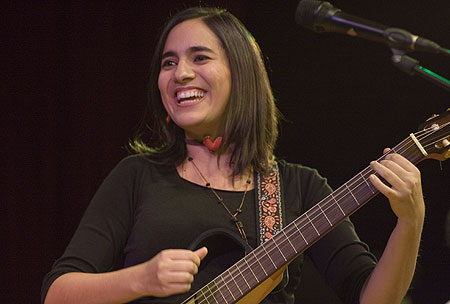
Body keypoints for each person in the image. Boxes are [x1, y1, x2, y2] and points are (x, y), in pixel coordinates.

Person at [41, 7, 425, 304]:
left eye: (200, 58)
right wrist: (142, 279)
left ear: (241, 73)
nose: (181, 74)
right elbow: (58, 293)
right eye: (168, 62)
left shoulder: (298, 186)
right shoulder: (138, 176)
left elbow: (372, 297)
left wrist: (411, 222)